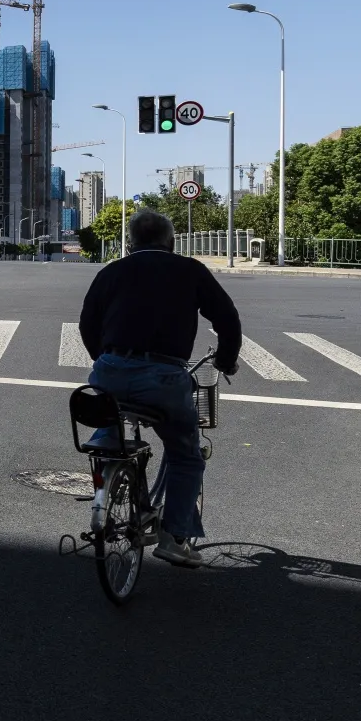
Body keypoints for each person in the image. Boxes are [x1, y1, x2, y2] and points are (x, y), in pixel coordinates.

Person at [77, 209, 241, 569]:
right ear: (170, 241)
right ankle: (174, 537)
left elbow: (87, 322)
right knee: (186, 454)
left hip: (111, 372)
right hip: (163, 378)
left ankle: (106, 482)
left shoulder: (112, 271)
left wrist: (104, 360)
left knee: (111, 426)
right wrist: (226, 359)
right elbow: (226, 317)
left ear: (131, 242)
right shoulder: (189, 269)